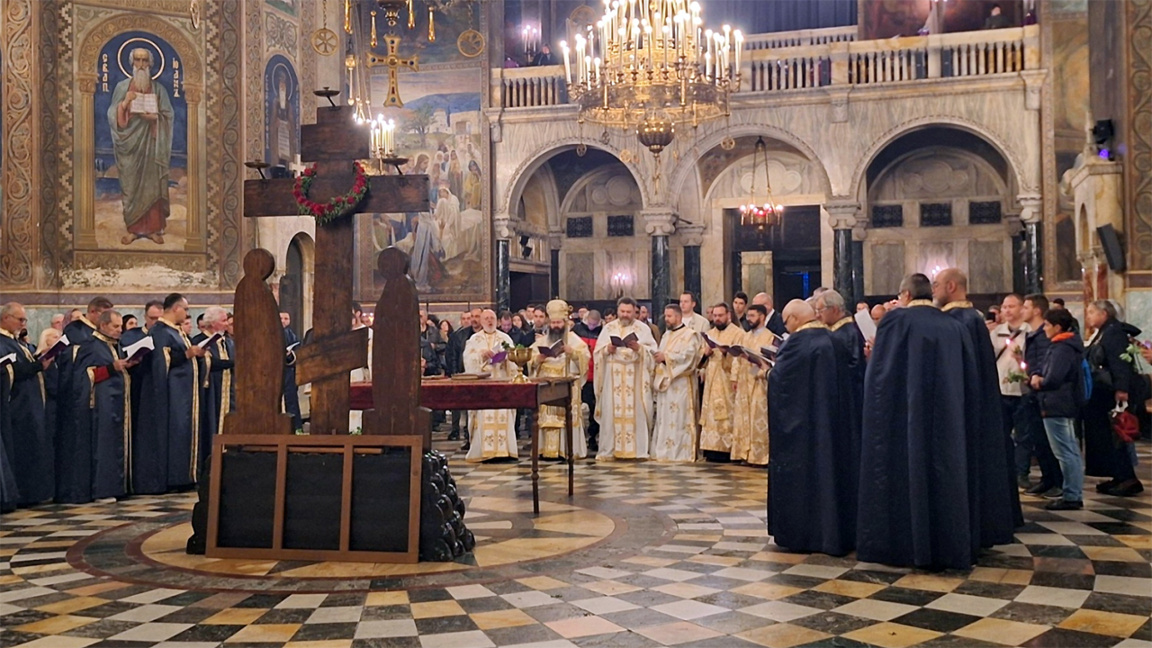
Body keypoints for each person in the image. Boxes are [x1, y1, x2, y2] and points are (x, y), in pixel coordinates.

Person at [857, 274, 985, 570]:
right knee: (946, 475)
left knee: (906, 474)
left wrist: (873, 357)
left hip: (904, 419)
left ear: (905, 295)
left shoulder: (896, 321)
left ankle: (904, 546)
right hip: (948, 420)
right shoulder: (954, 325)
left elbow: (882, 377)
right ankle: (949, 545)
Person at [934, 269, 1021, 544]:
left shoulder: (960, 320)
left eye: (936, 285)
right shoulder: (970, 318)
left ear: (950, 286)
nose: (933, 290)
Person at [768, 300, 854, 555]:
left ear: (795, 319)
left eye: (786, 322)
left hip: (803, 431)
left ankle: (802, 535)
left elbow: (782, 382)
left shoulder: (796, 343)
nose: (786, 327)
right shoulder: (835, 339)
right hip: (834, 426)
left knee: (805, 480)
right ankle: (835, 534)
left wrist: (769, 373)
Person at [135, 293, 206, 494]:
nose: (187, 314)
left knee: (183, 431)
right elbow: (161, 362)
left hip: (183, 393)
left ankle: (186, 475)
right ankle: (174, 477)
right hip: (171, 395)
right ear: (176, 308)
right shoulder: (160, 331)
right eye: (185, 309)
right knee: (175, 431)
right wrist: (186, 354)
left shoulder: (176, 331)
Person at [108, 48, 175, 246]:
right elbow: (112, 115)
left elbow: (168, 115)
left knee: (152, 185)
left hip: (152, 146)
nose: (141, 65)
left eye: (145, 61)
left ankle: (153, 229)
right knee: (131, 186)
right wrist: (124, 103)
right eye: (137, 60)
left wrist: (155, 118)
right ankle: (133, 230)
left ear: (150, 64)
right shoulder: (122, 87)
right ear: (132, 63)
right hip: (130, 147)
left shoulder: (159, 90)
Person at [73, 310, 138, 503]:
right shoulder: (91, 346)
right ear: (103, 325)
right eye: (115, 326)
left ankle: (120, 486)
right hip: (101, 404)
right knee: (105, 444)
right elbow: (83, 376)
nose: (120, 330)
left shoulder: (114, 345)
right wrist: (111, 368)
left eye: (120, 326)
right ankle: (103, 489)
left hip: (118, 401)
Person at [55, 297, 114, 503]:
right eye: (105, 315)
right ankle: (77, 490)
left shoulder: (96, 335)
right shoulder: (77, 332)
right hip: (77, 395)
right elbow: (73, 365)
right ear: (94, 312)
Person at [1083, 300, 1145, 496]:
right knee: (1108, 436)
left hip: (1112, 393)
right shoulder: (1104, 331)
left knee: (1117, 434)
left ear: (1104, 314)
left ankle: (1128, 478)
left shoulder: (1114, 332)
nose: (1088, 316)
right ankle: (1118, 476)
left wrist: (1121, 388)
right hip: (1103, 392)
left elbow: (1119, 363)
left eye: (1091, 312)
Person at [1030, 308, 1086, 510]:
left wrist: (1039, 381)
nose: (1044, 328)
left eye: (1047, 325)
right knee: (1069, 450)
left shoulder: (1062, 348)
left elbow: (1054, 377)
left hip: (1057, 404)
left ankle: (1072, 495)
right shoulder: (1064, 345)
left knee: (1065, 452)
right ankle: (1073, 493)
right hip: (1061, 403)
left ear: (1057, 327)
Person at [0, 302, 54, 506]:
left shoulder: (15, 342)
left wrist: (40, 359)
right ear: (6, 318)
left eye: (25, 320)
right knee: (22, 449)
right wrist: (38, 365)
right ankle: (23, 494)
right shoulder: (2, 342)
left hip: (30, 405)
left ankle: (34, 493)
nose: (23, 324)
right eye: (20, 319)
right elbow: (13, 370)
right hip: (17, 406)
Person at [593, 298, 657, 460]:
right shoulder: (609, 328)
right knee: (611, 413)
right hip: (612, 380)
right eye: (622, 311)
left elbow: (653, 353)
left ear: (635, 312)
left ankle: (638, 450)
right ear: (618, 311)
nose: (625, 315)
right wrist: (607, 349)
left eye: (628, 312)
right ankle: (610, 450)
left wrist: (639, 348)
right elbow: (597, 353)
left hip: (636, 381)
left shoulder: (643, 329)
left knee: (637, 413)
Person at [530, 300, 590, 459]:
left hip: (567, 386)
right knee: (546, 417)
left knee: (567, 417)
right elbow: (530, 361)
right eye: (553, 322)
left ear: (565, 322)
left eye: (559, 322)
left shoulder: (575, 340)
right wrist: (538, 359)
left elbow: (585, 361)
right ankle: (545, 450)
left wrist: (572, 352)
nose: (556, 326)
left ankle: (568, 450)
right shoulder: (541, 341)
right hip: (546, 386)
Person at [818, 290, 865, 482]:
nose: (818, 315)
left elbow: (854, 366)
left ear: (835, 309)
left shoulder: (848, 332)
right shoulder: (836, 332)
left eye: (821, 310)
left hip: (848, 399)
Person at [1020, 294, 1063, 496]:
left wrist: (1036, 374)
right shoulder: (1034, 334)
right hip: (1033, 392)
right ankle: (1047, 478)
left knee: (1048, 440)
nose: (1022, 310)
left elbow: (1046, 361)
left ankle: (1057, 481)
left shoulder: (1044, 335)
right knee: (1038, 439)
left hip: (1044, 394)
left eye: (1026, 307)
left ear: (1036, 310)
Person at [463, 310, 519, 461]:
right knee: (483, 416)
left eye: (492, 318)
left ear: (497, 321)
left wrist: (505, 358)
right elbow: (467, 361)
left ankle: (504, 451)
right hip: (483, 387)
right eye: (486, 318)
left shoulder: (504, 338)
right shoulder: (474, 339)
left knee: (503, 415)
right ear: (481, 321)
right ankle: (484, 452)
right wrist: (481, 355)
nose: (489, 321)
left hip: (502, 385)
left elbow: (514, 359)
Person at [990, 294, 1033, 490]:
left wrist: (1020, 359)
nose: (1007, 310)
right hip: (1001, 389)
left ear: (1021, 308)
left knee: (1024, 435)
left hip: (1022, 390)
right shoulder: (996, 332)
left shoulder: (1029, 331)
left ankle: (1021, 472)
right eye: (1004, 307)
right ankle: (1002, 471)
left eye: (1011, 306)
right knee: (1001, 434)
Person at [652, 304, 703, 462]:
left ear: (678, 317)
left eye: (669, 316)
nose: (666, 319)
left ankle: (681, 453)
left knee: (680, 418)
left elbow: (689, 358)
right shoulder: (666, 335)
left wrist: (666, 358)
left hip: (682, 384)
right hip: (667, 383)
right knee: (665, 418)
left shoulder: (690, 335)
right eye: (665, 316)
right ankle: (665, 452)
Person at [699, 303, 743, 461]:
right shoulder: (710, 334)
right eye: (715, 315)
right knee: (711, 416)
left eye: (720, 315)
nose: (717, 318)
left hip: (727, 381)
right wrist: (705, 353)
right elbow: (700, 360)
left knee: (726, 416)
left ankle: (726, 450)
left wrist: (725, 353)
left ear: (728, 315)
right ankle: (711, 450)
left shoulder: (738, 333)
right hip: (711, 380)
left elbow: (740, 358)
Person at [731, 304, 774, 466]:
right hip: (744, 382)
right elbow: (737, 358)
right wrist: (734, 378)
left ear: (762, 317)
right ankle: (744, 453)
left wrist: (757, 369)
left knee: (758, 418)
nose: (748, 319)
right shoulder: (745, 336)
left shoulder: (770, 337)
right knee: (743, 418)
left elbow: (769, 360)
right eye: (748, 316)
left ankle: (759, 456)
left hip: (760, 383)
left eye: (752, 316)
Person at [200, 307, 235, 458]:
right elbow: (210, 363)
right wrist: (232, 363)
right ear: (213, 323)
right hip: (210, 392)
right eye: (224, 321)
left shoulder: (228, 342)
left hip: (228, 392)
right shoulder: (200, 341)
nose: (227, 324)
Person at [446, 308, 482, 444]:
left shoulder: (489, 335)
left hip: (482, 377)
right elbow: (454, 356)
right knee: (464, 407)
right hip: (463, 375)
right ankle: (466, 435)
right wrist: (455, 374)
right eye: (472, 316)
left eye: (477, 316)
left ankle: (476, 437)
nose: (474, 319)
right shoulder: (460, 335)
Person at [574, 310, 602, 452]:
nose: (592, 327)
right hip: (580, 376)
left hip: (595, 376)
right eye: (590, 324)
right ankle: (577, 437)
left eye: (594, 324)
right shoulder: (577, 330)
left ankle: (593, 436)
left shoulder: (602, 332)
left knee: (594, 408)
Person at [281, 311, 302, 431]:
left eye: (286, 318)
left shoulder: (291, 334)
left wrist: (291, 355)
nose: (283, 321)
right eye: (281, 318)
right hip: (277, 373)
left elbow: (298, 350)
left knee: (291, 401)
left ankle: (295, 427)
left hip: (290, 372)